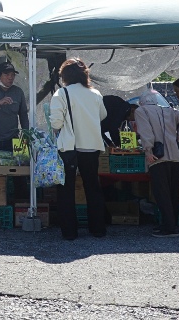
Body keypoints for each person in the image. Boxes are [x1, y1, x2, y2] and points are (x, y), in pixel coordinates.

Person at [49, 58, 107, 241]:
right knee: (93, 187)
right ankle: (98, 229)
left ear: (64, 76)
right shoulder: (95, 93)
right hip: (92, 147)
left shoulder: (61, 93)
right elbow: (102, 115)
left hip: (69, 148)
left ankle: (69, 232)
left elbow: (56, 123)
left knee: (66, 191)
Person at [133, 89, 179, 238]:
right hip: (175, 156)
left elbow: (146, 132)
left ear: (142, 101)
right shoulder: (169, 111)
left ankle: (168, 228)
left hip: (158, 157)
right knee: (173, 192)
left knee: (162, 193)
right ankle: (172, 225)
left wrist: (148, 150)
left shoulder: (141, 111)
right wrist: (177, 137)